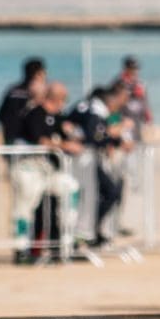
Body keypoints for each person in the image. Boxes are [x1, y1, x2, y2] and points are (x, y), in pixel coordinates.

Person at [10, 82, 83, 263]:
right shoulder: (34, 114)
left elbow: (67, 137)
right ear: (56, 98)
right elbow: (41, 140)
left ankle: (67, 241)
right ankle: (21, 250)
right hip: (28, 169)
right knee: (25, 206)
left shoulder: (58, 117)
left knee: (71, 188)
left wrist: (71, 136)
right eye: (63, 99)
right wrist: (64, 145)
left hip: (48, 170)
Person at [68, 82, 133, 248]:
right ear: (111, 100)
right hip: (83, 161)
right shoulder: (95, 110)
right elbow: (95, 136)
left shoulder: (89, 107)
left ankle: (92, 232)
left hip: (86, 160)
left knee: (105, 193)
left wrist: (114, 140)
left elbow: (97, 134)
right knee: (102, 194)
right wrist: (115, 137)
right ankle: (85, 234)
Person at [0, 58, 47, 147]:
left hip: (9, 137)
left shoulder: (12, 90)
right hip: (26, 141)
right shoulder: (35, 93)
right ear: (38, 74)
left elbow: (0, 116)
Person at [114, 56, 153, 141]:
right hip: (125, 119)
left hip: (138, 119)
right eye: (132, 69)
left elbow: (145, 102)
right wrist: (118, 119)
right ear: (126, 69)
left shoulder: (140, 84)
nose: (135, 71)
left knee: (140, 143)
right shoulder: (118, 83)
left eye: (136, 69)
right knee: (127, 142)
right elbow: (113, 105)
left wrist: (148, 118)